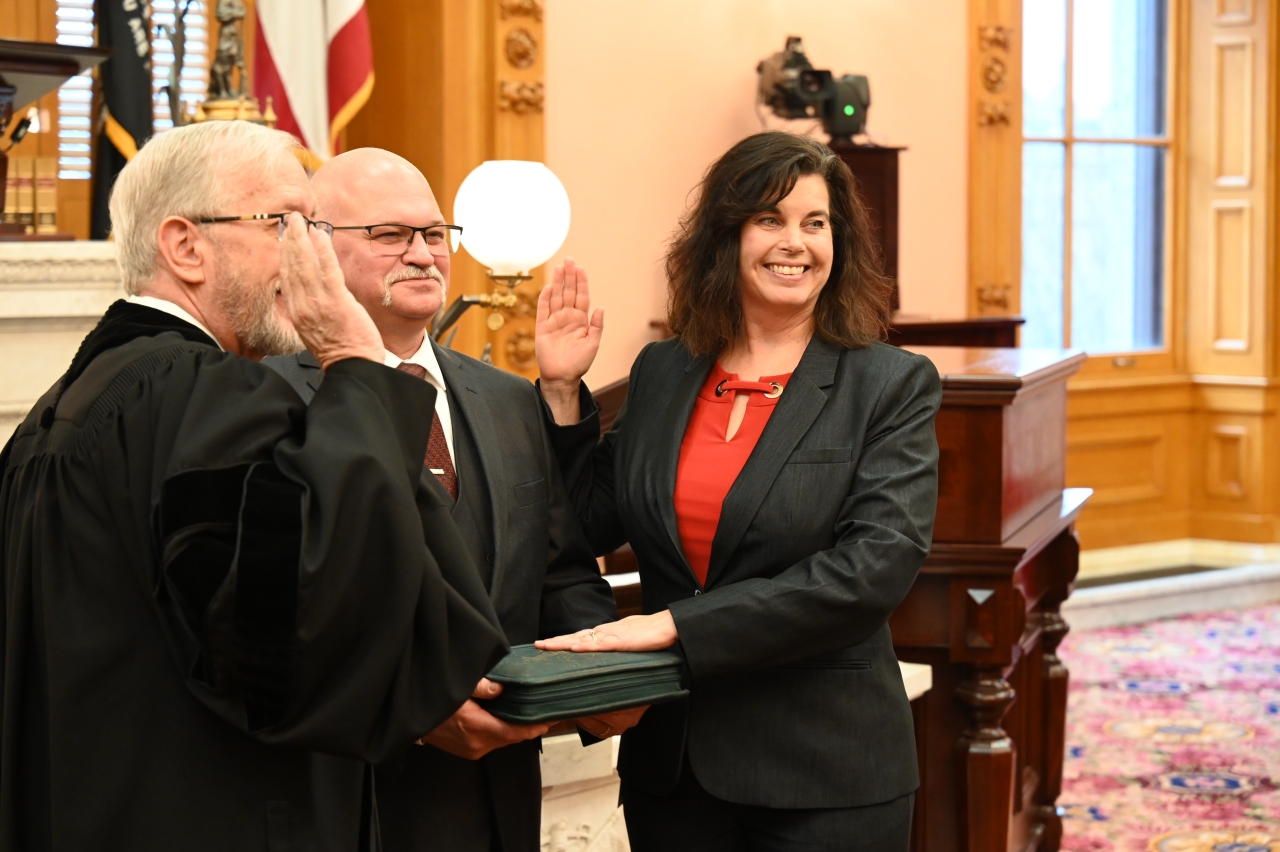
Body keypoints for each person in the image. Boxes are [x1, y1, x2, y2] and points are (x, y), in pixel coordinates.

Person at [0, 120, 511, 852]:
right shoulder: (200, 395)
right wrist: (357, 363)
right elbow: (316, 639)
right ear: (185, 247)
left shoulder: (64, 405)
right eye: (286, 224)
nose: (317, 256)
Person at [533, 131, 941, 851]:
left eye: (816, 223)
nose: (797, 243)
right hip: (676, 771)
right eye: (770, 220)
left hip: (826, 774)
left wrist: (674, 628)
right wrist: (563, 391)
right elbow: (578, 524)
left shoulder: (888, 384)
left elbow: (871, 570)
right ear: (727, 235)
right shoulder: (665, 372)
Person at [263, 147, 642, 852]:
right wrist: (410, 708)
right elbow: (276, 610)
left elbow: (559, 569)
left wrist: (601, 674)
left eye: (434, 235)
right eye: (390, 235)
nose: (422, 254)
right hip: (348, 794)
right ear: (314, 246)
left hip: (494, 795)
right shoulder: (265, 399)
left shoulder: (505, 399)